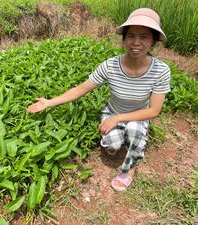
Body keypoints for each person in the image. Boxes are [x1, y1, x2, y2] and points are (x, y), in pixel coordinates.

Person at [26, 8, 170, 192]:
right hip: (113, 111)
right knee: (112, 145)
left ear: (154, 41)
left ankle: (129, 170)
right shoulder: (110, 65)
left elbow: (153, 111)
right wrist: (49, 102)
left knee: (134, 129)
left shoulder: (161, 70)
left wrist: (117, 119)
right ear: (124, 38)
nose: (136, 42)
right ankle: (121, 138)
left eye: (144, 37)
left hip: (138, 115)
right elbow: (81, 89)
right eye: (131, 36)